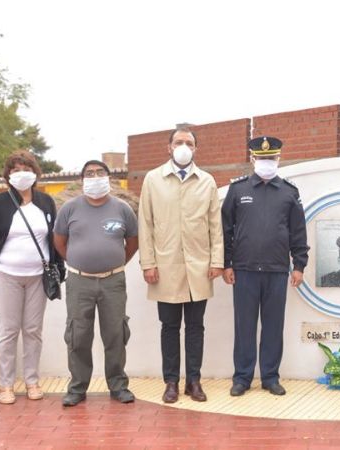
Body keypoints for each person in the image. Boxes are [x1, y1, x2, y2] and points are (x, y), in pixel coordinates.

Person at [0, 150, 63, 405]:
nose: (20, 174)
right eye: (15, 170)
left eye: (25, 168)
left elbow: (54, 239)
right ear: (7, 175)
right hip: (7, 275)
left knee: (33, 330)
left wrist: (60, 269)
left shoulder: (46, 202)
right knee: (8, 330)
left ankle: (32, 381)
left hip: (38, 276)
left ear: (35, 173)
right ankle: (5, 384)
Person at [138, 126, 224, 403]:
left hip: (199, 266)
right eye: (178, 142)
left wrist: (217, 261)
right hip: (166, 266)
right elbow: (146, 224)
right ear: (169, 147)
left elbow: (215, 225)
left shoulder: (207, 181)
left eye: (188, 142)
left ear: (196, 148)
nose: (183, 146)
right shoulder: (153, 180)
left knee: (196, 326)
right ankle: (171, 382)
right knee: (170, 326)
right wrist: (148, 263)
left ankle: (194, 381)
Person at [221, 136, 309, 397]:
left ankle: (270, 377)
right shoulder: (238, 190)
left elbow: (298, 232)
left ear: (279, 159)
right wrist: (226, 263)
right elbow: (225, 230)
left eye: (271, 158)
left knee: (273, 326)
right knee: (244, 327)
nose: (266, 162)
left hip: (277, 270)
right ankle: (242, 378)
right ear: (253, 159)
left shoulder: (289, 192)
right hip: (244, 270)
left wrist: (299, 265)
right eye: (262, 158)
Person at [53, 160, 138, 407]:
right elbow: (59, 242)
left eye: (100, 172)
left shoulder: (123, 209)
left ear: (109, 177)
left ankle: (118, 386)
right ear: (82, 180)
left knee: (115, 334)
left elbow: (132, 242)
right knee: (78, 336)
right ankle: (77, 388)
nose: (95, 176)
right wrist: (79, 260)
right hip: (80, 282)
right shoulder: (69, 208)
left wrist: (114, 261)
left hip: (113, 281)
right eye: (89, 173)